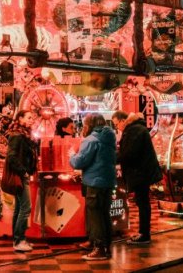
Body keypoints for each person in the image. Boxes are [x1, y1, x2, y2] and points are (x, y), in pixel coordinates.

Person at [69, 113, 116, 261]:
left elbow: (79, 162)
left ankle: (99, 248)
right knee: (105, 214)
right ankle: (107, 246)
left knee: (95, 216)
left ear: (89, 124)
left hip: (94, 182)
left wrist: (72, 155)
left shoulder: (90, 140)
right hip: (108, 181)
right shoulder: (110, 137)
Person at [115, 111, 161, 245]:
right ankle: (143, 232)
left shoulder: (133, 131)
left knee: (143, 203)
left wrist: (113, 158)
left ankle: (144, 234)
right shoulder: (139, 128)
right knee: (143, 203)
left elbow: (129, 153)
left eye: (117, 123)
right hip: (143, 171)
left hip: (140, 172)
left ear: (124, 121)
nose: (117, 127)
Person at [5, 110, 39, 252]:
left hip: (22, 174)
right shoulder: (17, 136)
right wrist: (24, 171)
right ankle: (19, 240)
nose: (32, 120)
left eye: (33, 118)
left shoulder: (23, 134)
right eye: (29, 117)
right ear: (20, 118)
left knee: (19, 208)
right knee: (25, 208)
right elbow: (11, 156)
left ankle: (18, 239)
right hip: (20, 176)